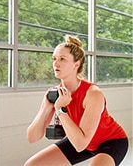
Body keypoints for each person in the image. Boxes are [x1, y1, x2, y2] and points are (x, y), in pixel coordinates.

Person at [24, 35, 128, 166]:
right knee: (32, 165)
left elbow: (80, 144)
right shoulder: (55, 93)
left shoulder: (93, 93)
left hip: (110, 141)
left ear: (76, 64)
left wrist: (60, 110)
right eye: (54, 59)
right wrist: (46, 107)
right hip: (80, 140)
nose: (56, 63)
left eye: (62, 59)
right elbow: (32, 137)